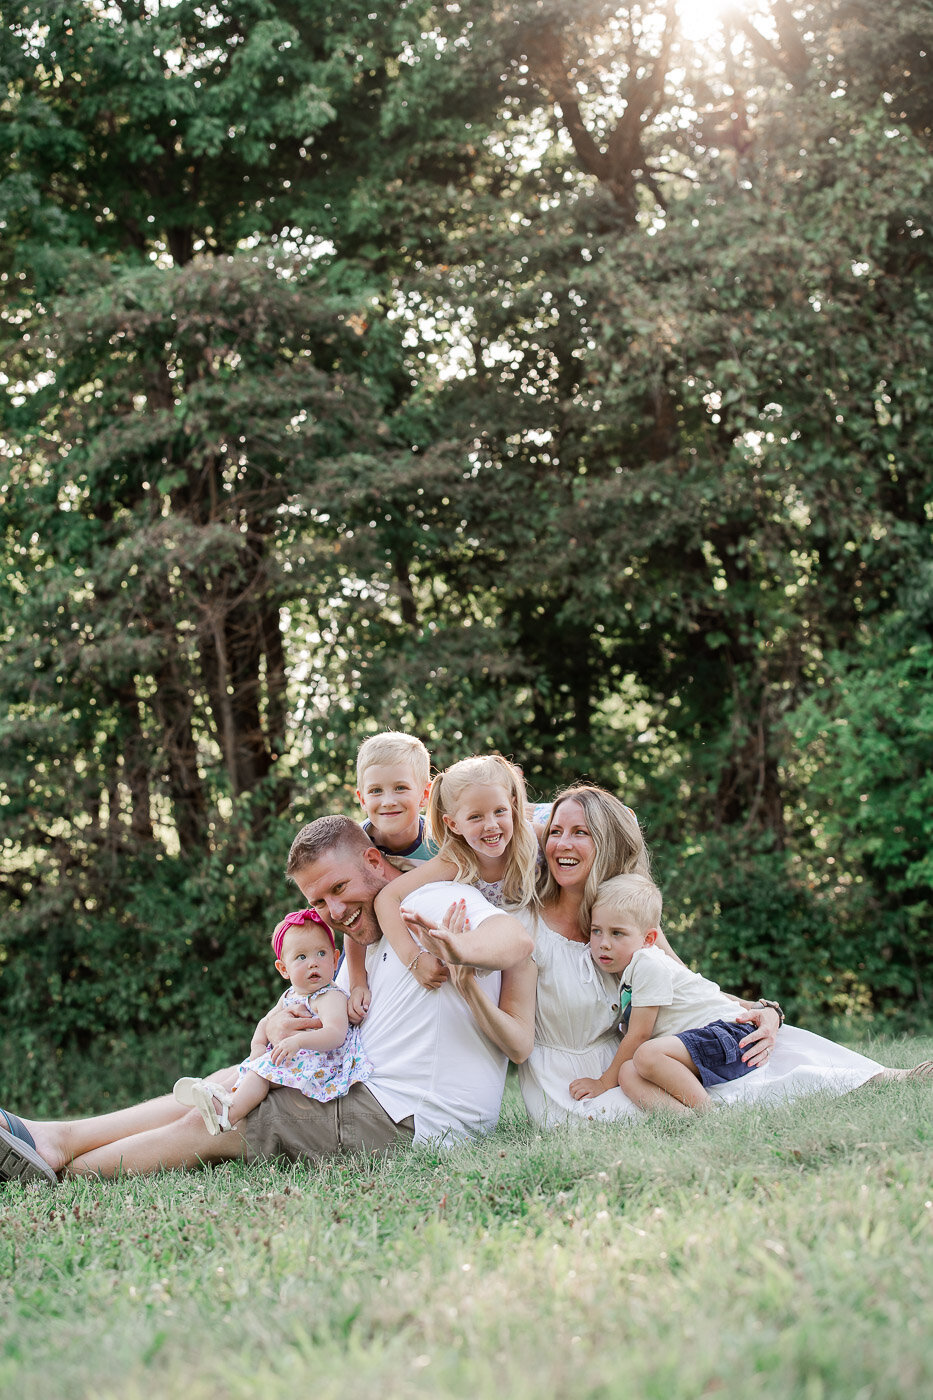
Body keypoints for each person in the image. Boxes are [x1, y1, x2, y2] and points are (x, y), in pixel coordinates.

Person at [0, 816, 533, 1183]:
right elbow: (329, 1017)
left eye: (339, 889)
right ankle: (56, 1136)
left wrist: (459, 949)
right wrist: (278, 1025)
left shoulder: (434, 901)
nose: (334, 912)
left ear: (374, 860)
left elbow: (513, 940)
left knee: (217, 1122)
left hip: (417, 1121)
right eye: (318, 901)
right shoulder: (367, 940)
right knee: (224, 1082)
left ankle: (58, 1170)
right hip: (374, 1093)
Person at [348, 753, 539, 1012]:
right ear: (453, 824)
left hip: (531, 950)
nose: (491, 825)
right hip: (487, 957)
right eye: (475, 817)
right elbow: (386, 899)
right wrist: (414, 959)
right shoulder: (457, 860)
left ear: (513, 806)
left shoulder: (533, 839)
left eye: (500, 811)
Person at [568, 874, 761, 1111]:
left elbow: (639, 1035)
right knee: (628, 1072)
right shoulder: (628, 970)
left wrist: (603, 1083)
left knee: (645, 1054)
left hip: (731, 1036)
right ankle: (688, 1121)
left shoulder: (647, 963)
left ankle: (710, 1114)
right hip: (703, 1046)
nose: (603, 943)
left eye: (617, 933)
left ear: (648, 938)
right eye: (596, 931)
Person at [172, 907, 372, 1134]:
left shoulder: (330, 996)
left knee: (261, 1073)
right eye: (302, 957)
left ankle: (229, 1113)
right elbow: (265, 1022)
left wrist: (299, 1041)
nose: (313, 963)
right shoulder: (290, 995)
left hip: (322, 1065)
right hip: (297, 1057)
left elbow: (335, 1034)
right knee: (248, 1066)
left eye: (321, 953)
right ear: (284, 969)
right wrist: (257, 1046)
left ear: (336, 960)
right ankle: (213, 1093)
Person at [355, 731, 436, 863]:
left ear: (425, 794)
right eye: (376, 790)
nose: (388, 802)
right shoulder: (352, 848)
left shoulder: (445, 844)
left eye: (400, 788)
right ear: (363, 800)